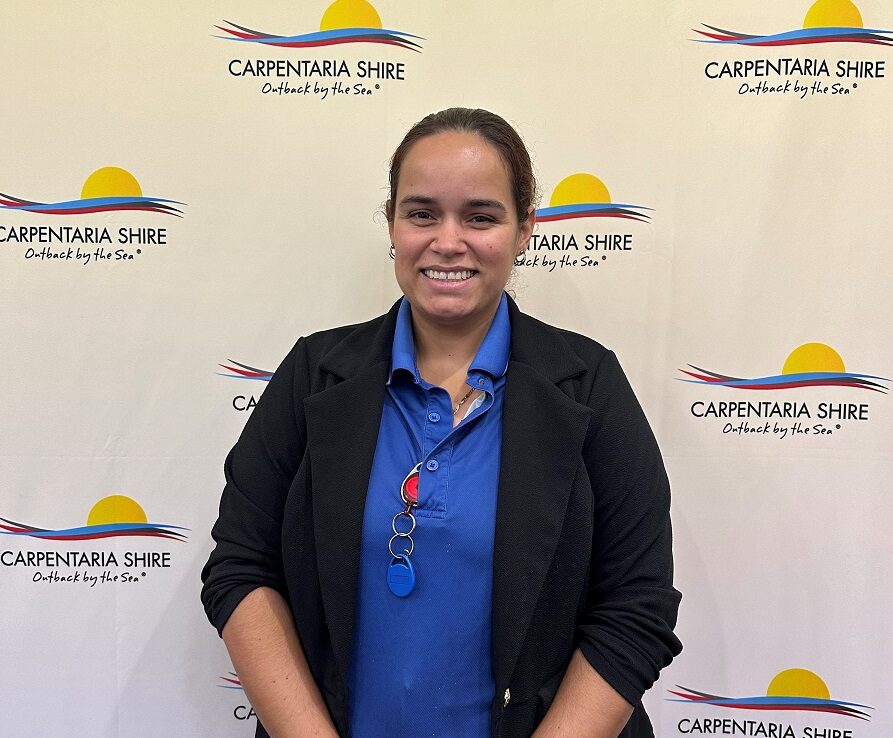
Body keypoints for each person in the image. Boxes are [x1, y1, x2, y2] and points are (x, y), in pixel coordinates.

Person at [201, 107, 681, 738]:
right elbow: (241, 567)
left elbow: (636, 607)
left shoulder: (588, 385)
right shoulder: (315, 374)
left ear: (524, 230)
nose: (448, 241)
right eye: (422, 212)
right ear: (393, 225)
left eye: (480, 216)